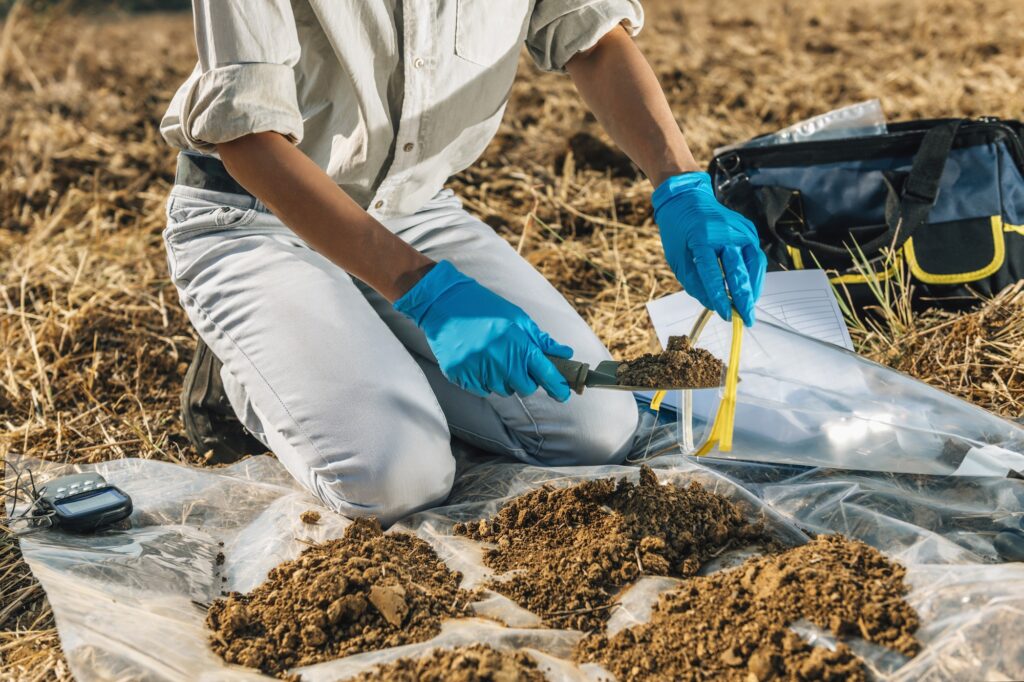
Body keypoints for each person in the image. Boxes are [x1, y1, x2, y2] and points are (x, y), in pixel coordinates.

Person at [161, 0, 766, 525]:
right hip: (258, 216)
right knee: (395, 480)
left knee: (596, 430)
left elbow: (594, 36)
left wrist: (681, 186)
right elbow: (247, 138)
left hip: (411, 209)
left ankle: (362, 350)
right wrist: (428, 292)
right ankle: (244, 373)